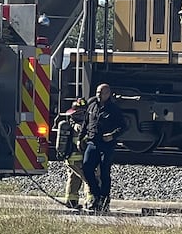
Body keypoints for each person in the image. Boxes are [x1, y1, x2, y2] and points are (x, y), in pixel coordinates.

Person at [79, 83, 127, 212]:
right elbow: (86, 123)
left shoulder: (114, 109)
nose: (99, 95)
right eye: (98, 92)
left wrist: (113, 135)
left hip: (106, 145)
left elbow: (123, 126)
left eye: (102, 92)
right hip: (92, 143)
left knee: (105, 172)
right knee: (86, 168)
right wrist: (80, 138)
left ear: (108, 94)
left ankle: (104, 200)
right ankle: (95, 194)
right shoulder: (92, 106)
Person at [52, 97, 92, 209]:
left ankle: (71, 201)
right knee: (88, 179)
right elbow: (84, 144)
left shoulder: (71, 124)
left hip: (70, 159)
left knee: (74, 179)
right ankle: (90, 202)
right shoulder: (81, 127)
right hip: (79, 159)